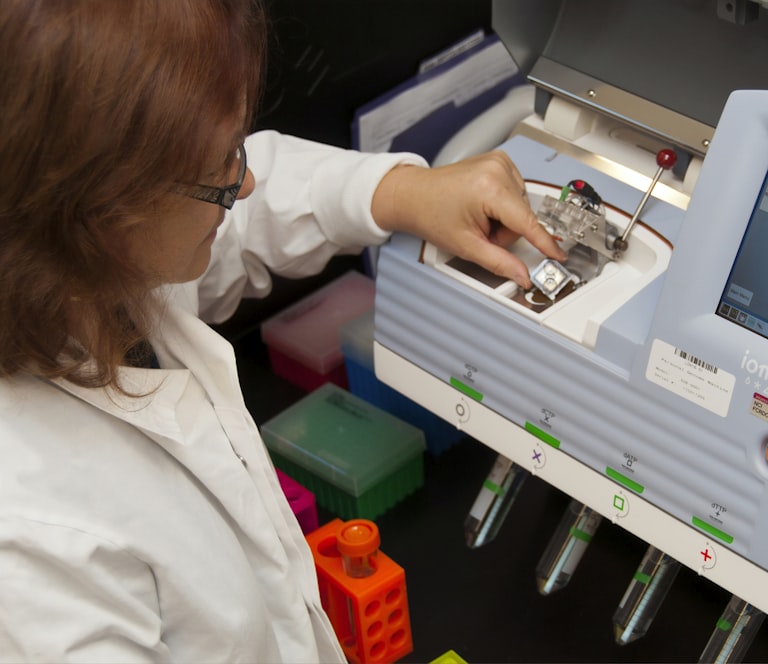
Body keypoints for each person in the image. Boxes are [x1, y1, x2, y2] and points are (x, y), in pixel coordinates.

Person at [0, 1, 565, 661]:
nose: (243, 184)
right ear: (96, 209)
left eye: (234, 147)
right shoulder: (37, 561)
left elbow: (250, 206)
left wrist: (406, 190)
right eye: (218, 172)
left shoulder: (77, 261)